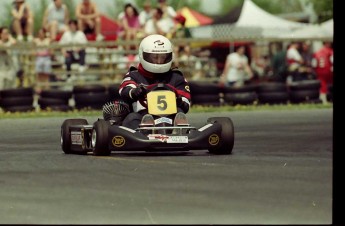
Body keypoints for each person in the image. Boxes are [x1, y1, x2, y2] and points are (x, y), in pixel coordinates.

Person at [118, 34, 191, 130]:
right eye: (155, 57)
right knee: (132, 118)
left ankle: (178, 130)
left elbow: (186, 104)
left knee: (180, 111)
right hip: (142, 115)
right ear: (143, 55)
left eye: (163, 57)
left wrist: (178, 100)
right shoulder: (134, 75)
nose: (159, 61)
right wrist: (135, 92)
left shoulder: (176, 77)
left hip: (170, 118)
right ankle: (145, 127)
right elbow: (124, 89)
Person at [33, 28, 52, 93]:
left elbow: (51, 49)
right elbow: (33, 50)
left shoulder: (48, 40)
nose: (41, 34)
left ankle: (46, 90)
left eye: (42, 33)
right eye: (39, 33)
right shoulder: (36, 40)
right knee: (39, 75)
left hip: (46, 58)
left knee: (46, 75)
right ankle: (38, 90)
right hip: (39, 58)